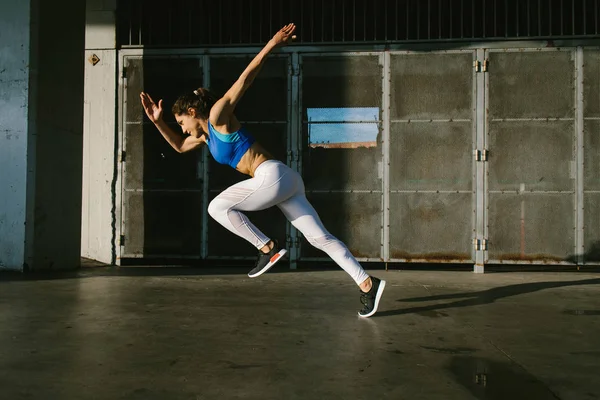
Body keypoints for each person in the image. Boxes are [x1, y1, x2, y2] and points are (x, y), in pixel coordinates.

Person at [139, 23, 386, 318]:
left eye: (180, 121)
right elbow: (179, 146)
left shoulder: (218, 116)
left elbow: (245, 79)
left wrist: (272, 43)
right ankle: (368, 284)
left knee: (217, 207)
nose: (182, 128)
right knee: (320, 239)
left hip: (271, 176)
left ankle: (267, 247)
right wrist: (158, 122)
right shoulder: (205, 136)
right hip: (285, 181)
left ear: (192, 112)